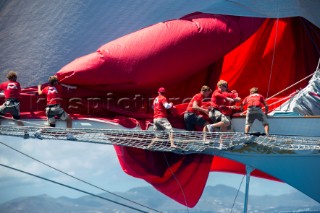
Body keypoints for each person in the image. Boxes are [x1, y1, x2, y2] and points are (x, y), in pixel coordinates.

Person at [36, 75, 75, 140]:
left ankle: (38, 132)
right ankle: (69, 135)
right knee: (69, 120)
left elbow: (39, 93)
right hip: (56, 108)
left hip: (48, 109)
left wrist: (39, 87)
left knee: (51, 125)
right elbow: (62, 83)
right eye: (56, 81)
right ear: (54, 83)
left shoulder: (46, 88)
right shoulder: (58, 87)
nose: (58, 82)